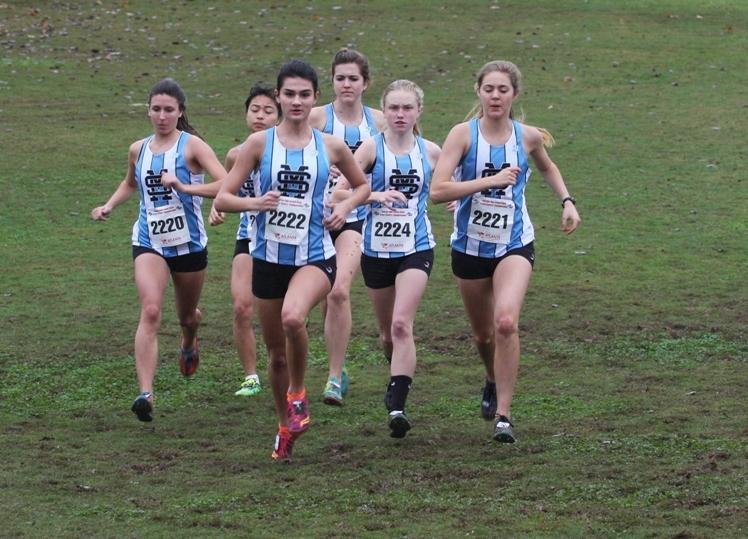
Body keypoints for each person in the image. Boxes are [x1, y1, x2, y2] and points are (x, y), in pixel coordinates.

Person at [214, 60, 370, 462]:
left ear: (314, 97)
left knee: (292, 318)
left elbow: (363, 186)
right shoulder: (258, 145)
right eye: (289, 94)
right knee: (276, 354)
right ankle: (285, 426)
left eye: (304, 94)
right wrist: (255, 202)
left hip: (315, 256)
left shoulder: (331, 146)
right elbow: (223, 197)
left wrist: (345, 207)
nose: (297, 101)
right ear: (279, 97)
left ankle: (298, 393)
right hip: (267, 257)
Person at [430, 60, 581, 443]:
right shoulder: (462, 136)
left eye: (503, 90)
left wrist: (567, 200)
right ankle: (491, 377)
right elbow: (437, 191)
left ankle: (504, 414)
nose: (495, 96)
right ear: (478, 92)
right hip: (469, 247)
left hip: (514, 243)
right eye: (489, 89)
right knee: (483, 336)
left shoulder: (527, 137)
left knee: (506, 323)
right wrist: (487, 182)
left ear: (515, 94)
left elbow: (547, 167)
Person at [90, 78, 227, 422]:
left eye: (169, 110)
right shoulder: (139, 149)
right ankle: (146, 394)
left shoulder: (193, 146)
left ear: (180, 112)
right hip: (149, 239)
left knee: (186, 315)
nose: (162, 116)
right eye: (156, 109)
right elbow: (130, 182)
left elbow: (226, 182)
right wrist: (109, 205)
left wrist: (183, 186)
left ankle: (190, 337)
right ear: (148, 110)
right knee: (150, 310)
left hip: (188, 244)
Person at [339, 79, 440, 438]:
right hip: (376, 249)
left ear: (418, 112)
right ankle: (396, 368)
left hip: (416, 247)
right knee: (386, 333)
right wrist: (374, 196)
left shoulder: (431, 152)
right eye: (394, 108)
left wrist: (461, 201)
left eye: (407, 108)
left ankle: (397, 404)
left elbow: (448, 187)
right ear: (385, 111)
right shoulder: (370, 149)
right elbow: (340, 191)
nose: (400, 114)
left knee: (401, 324)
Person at [309, 48, 385, 406]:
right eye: (340, 78)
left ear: (365, 83)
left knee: (338, 291)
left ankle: (334, 377)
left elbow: (412, 157)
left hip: (358, 218)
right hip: (313, 219)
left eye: (353, 78)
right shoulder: (315, 118)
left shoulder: (381, 121)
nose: (346, 85)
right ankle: (333, 361)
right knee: (322, 296)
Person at [209, 84, 280, 398]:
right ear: (246, 114)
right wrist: (215, 207)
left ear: (279, 116)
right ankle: (251, 376)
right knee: (241, 307)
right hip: (249, 237)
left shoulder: (290, 153)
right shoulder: (236, 155)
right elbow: (227, 190)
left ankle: (285, 370)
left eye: (268, 111)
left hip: (285, 240)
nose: (261, 116)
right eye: (255, 110)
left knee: (285, 316)